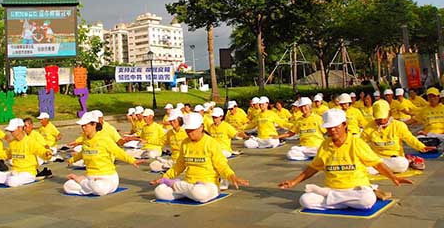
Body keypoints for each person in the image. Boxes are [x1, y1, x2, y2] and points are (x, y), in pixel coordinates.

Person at [278, 109, 413, 210]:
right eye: (329, 128)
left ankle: (332, 199)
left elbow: (377, 164)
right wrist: (293, 182)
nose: (333, 131)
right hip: (333, 188)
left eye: (336, 127)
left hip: (356, 189)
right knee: (305, 200)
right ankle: (338, 199)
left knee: (367, 200)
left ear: (344, 125)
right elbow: (313, 167)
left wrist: (393, 177)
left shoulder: (356, 143)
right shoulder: (325, 145)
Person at [151, 113, 249, 203]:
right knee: (159, 191)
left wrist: (232, 176)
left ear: (201, 127)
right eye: (187, 130)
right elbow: (179, 166)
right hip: (189, 183)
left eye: (192, 130)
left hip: (208, 185)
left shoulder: (211, 143)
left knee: (200, 193)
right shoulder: (185, 143)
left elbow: (221, 165)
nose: (189, 133)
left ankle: (176, 185)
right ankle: (181, 187)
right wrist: (165, 177)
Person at [64, 112, 143, 196]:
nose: (83, 128)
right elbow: (83, 152)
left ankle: (80, 180)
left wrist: (132, 160)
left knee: (99, 188)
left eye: (86, 125)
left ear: (94, 125)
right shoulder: (84, 138)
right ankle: (87, 186)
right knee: (67, 186)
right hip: (90, 177)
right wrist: (72, 160)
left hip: (107, 177)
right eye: (82, 126)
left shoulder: (104, 139)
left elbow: (117, 151)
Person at [361, 100, 434, 174]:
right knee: (363, 169)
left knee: (402, 165)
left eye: (384, 118)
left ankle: (404, 161)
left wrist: (422, 147)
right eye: (378, 119)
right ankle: (386, 167)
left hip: (395, 158)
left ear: (389, 114)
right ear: (374, 115)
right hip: (377, 158)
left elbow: (409, 138)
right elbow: (360, 143)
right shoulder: (369, 127)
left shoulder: (398, 125)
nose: (381, 121)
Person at [0, 118, 53, 187]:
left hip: (28, 173)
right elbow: (7, 154)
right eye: (10, 131)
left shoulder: (30, 141)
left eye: (13, 130)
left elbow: (41, 151)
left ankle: (7, 179)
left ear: (20, 128)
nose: (11, 133)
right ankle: (6, 179)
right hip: (15, 172)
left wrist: (47, 153)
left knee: (12, 181)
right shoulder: (12, 143)